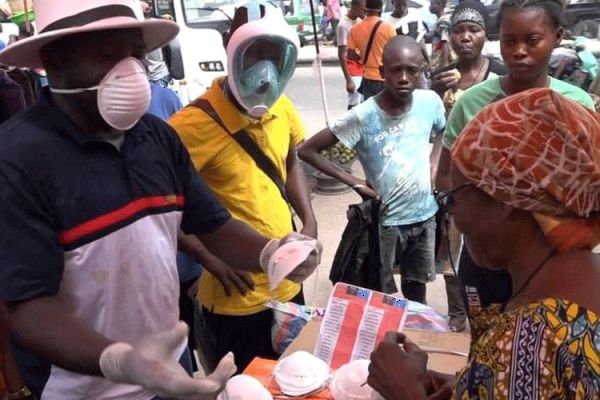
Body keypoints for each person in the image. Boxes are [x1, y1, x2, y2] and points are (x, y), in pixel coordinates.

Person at [0, 1, 321, 399]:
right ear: (55, 62)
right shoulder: (17, 159)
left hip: (171, 367)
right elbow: (27, 308)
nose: (131, 70)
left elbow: (213, 226)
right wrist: (120, 361)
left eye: (136, 54)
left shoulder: (156, 138)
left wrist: (271, 252)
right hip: (81, 387)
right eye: (108, 55)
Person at [368, 88, 600, 400]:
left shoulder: (531, 340)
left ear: (505, 197)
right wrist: (472, 385)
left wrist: (404, 392)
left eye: (454, 198)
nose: (454, 215)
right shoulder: (583, 280)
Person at [434, 0, 595, 345]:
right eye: (509, 41)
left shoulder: (576, 105)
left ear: (557, 37)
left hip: (549, 254)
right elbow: (446, 177)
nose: (519, 52)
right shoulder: (471, 103)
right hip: (487, 249)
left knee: (533, 343)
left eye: (532, 40)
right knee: (489, 342)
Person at [169, 2, 318, 372]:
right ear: (228, 45)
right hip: (236, 297)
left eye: (274, 54)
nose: (265, 68)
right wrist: (207, 257)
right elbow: (161, 209)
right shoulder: (190, 126)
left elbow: (291, 161)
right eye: (254, 53)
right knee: (244, 386)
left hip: (287, 286)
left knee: (293, 379)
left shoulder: (281, 107)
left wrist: (309, 223)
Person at [299, 36, 445, 303]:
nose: (403, 77)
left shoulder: (430, 102)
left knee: (416, 285)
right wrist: (353, 181)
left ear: (420, 71)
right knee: (379, 291)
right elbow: (307, 150)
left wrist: (434, 165)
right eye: (395, 70)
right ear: (381, 73)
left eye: (411, 70)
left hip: (424, 216)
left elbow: (443, 132)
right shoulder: (363, 115)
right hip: (385, 222)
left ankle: (414, 329)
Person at [430, 0, 507, 332]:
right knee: (451, 247)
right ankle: (458, 311)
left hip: (492, 178)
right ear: (450, 38)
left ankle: (498, 306)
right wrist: (433, 93)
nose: (465, 37)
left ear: (484, 36)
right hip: (452, 177)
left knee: (491, 244)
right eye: (458, 30)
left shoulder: (501, 74)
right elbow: (431, 127)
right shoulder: (440, 75)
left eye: (473, 30)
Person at [347, 0, 396, 100]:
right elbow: (395, 52)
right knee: (387, 111)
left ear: (365, 9)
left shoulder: (355, 28)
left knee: (371, 111)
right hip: (385, 77)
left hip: (367, 78)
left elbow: (350, 55)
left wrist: (363, 58)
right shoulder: (388, 27)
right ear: (381, 9)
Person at [338, 0, 366, 110]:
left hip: (363, 66)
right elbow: (341, 54)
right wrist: (348, 79)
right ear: (354, 7)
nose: (365, 12)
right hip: (353, 69)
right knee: (354, 103)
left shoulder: (360, 21)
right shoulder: (343, 25)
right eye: (363, 9)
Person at [428, 0, 452, 71]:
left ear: (439, 4)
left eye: (432, 4)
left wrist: (444, 66)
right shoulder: (439, 21)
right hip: (438, 63)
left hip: (441, 64)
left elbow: (445, 42)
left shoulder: (443, 22)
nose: (430, 6)